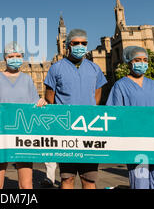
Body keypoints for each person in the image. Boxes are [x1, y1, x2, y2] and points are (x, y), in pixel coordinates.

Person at [44, 29, 107, 189]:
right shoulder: (56, 68)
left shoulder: (94, 68)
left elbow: (98, 92)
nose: (80, 46)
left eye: (83, 43)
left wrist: (90, 110)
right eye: (76, 43)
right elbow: (49, 96)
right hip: (66, 131)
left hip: (89, 131)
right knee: (67, 178)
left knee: (89, 180)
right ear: (68, 45)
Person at [106, 46, 154, 189]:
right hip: (136, 141)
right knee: (140, 181)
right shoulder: (120, 86)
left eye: (145, 60)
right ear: (129, 62)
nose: (142, 63)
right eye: (137, 60)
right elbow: (113, 114)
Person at [0, 41, 47, 189]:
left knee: (26, 185)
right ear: (5, 58)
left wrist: (41, 102)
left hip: (23, 135)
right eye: (11, 56)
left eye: (18, 56)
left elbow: (34, 105)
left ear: (23, 57)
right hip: (1, 134)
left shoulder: (27, 79)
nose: (15, 58)